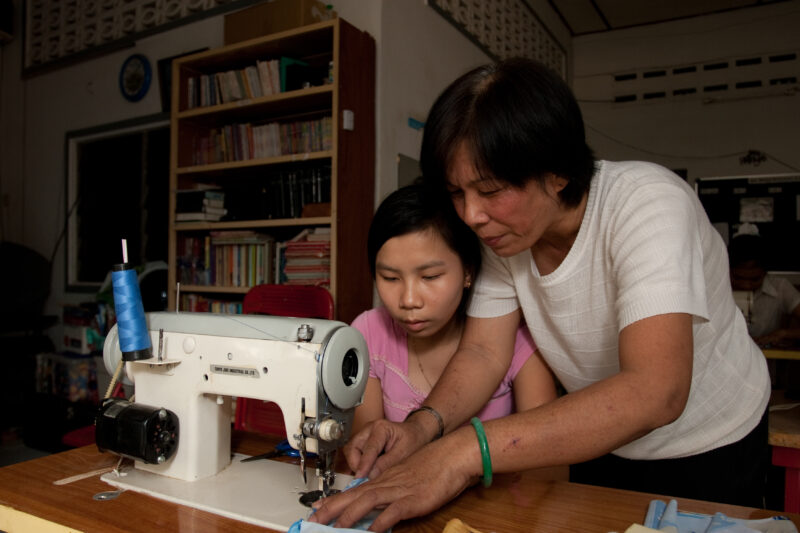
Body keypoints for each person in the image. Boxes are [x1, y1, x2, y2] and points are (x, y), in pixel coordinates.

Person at [310, 57, 770, 532]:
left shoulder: (648, 206)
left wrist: (462, 453)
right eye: (456, 192)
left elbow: (657, 391)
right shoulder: (506, 237)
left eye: (490, 190)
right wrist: (420, 428)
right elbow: (485, 352)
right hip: (594, 436)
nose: (470, 215)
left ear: (557, 173)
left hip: (708, 445)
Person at [350, 182, 556, 436]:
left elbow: (548, 464)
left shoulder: (520, 343)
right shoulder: (369, 333)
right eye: (391, 278)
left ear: (468, 271)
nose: (409, 300)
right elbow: (368, 449)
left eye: (430, 276)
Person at [728, 227, 800, 348]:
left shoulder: (779, 287)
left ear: (765, 273)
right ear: (727, 270)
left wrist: (784, 334)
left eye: (755, 279)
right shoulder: (716, 287)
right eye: (738, 278)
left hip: (766, 363)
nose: (746, 285)